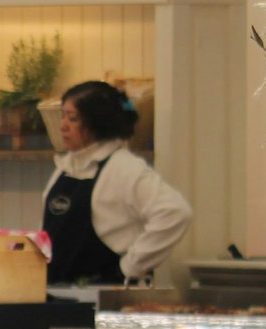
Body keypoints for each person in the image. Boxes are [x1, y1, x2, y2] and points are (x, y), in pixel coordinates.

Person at [43, 80, 192, 286]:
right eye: (62, 116)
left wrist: (130, 268)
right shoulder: (66, 166)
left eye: (73, 118)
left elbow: (175, 212)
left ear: (96, 122)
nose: (63, 126)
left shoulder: (124, 168)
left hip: (105, 302)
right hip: (58, 297)